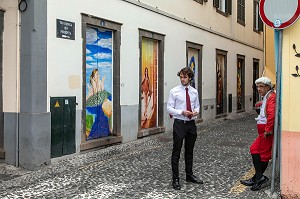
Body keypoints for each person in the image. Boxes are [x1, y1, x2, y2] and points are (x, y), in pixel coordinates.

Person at [167, 67, 203, 190]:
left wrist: (196, 112)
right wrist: (181, 112)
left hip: (191, 124)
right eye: (181, 77)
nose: (182, 79)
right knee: (176, 151)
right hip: (180, 123)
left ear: (190, 78)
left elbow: (197, 106)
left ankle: (189, 175)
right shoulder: (174, 91)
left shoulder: (194, 92)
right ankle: (175, 179)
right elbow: (169, 108)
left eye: (185, 77)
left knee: (189, 151)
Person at [240, 76, 276, 191]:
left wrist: (268, 129)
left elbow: (271, 114)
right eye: (257, 87)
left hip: (266, 132)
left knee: (254, 150)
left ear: (268, 87)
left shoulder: (271, 96)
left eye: (261, 87)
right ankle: (256, 178)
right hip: (263, 131)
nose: (259, 89)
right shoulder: (267, 96)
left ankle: (259, 177)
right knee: (263, 155)